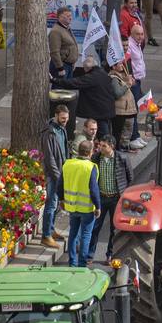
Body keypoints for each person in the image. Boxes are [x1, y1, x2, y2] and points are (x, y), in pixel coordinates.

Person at [89, 138, 133, 262]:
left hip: (116, 199)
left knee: (114, 229)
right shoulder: (96, 158)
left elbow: (130, 177)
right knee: (95, 227)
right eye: (100, 145)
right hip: (101, 198)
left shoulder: (122, 158)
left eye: (104, 146)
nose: (100, 148)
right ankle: (90, 255)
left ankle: (110, 255)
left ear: (111, 146)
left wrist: (124, 193)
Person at [62, 141, 101, 267]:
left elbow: (59, 185)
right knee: (85, 235)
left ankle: (72, 262)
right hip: (87, 209)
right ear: (90, 152)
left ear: (78, 151)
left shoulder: (68, 164)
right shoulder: (91, 167)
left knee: (73, 234)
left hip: (72, 207)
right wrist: (98, 206)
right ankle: (82, 264)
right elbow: (94, 190)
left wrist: (62, 200)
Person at [55, 56, 117, 133]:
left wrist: (55, 80)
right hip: (106, 109)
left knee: (103, 133)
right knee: (105, 131)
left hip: (99, 112)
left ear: (86, 69)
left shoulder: (91, 77)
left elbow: (74, 83)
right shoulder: (102, 73)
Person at [39, 102, 70, 248]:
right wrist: (58, 177)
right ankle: (46, 235)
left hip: (62, 172)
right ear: (56, 116)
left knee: (56, 203)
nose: (65, 121)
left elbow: (65, 149)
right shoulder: (49, 132)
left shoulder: (62, 129)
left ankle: (51, 230)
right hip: (54, 175)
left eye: (66, 118)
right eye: (63, 118)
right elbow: (50, 158)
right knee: (51, 204)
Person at [108, 59, 138, 147]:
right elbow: (117, 93)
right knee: (118, 133)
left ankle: (123, 146)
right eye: (120, 64)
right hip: (120, 111)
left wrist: (130, 81)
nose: (122, 65)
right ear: (114, 66)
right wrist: (128, 84)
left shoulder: (121, 75)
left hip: (126, 110)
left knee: (126, 130)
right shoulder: (113, 78)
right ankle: (117, 148)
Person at [50, 8, 80, 80]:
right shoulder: (56, 31)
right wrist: (60, 68)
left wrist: (72, 63)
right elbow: (54, 52)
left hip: (69, 66)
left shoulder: (67, 28)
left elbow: (70, 47)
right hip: (61, 66)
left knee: (67, 90)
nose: (70, 17)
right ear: (60, 17)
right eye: (68, 15)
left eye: (71, 15)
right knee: (59, 90)